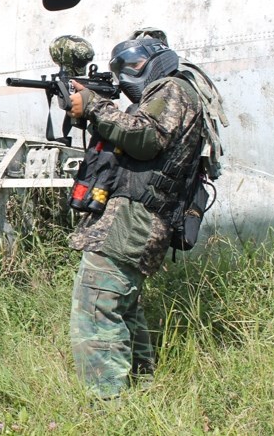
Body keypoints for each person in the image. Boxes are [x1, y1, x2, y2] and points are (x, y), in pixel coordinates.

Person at [66, 37, 206, 399]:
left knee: (96, 309)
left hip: (132, 219)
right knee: (123, 307)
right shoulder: (173, 93)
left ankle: (106, 402)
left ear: (156, 61)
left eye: (133, 65)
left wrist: (95, 105)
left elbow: (145, 138)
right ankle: (141, 388)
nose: (126, 76)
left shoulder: (171, 88)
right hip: (138, 219)